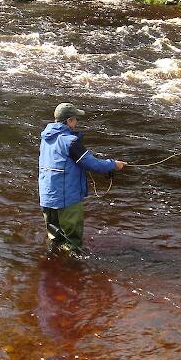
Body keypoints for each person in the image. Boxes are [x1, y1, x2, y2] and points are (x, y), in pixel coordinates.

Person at [38, 102, 126, 250]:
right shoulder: (70, 141)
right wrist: (113, 164)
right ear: (69, 121)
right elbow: (92, 164)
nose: (77, 122)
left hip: (47, 195)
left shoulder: (46, 138)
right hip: (67, 198)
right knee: (73, 241)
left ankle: (52, 265)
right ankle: (73, 268)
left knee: (54, 236)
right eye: (75, 119)